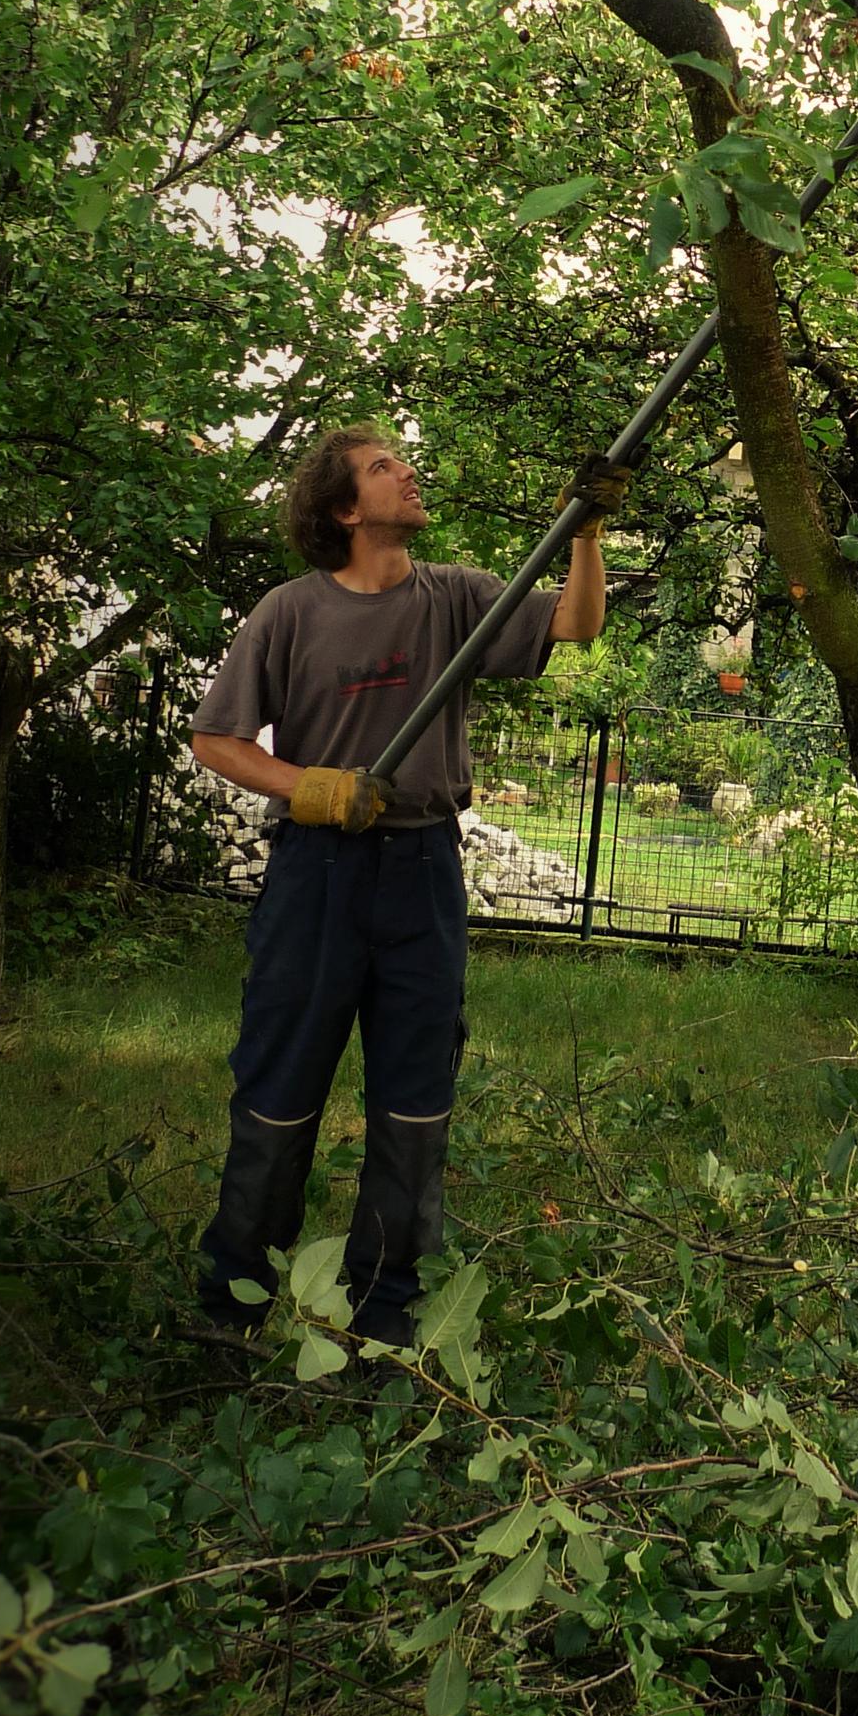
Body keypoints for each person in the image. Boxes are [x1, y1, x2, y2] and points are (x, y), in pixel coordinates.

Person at [188, 423, 626, 1347]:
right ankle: (234, 1305)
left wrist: (585, 532)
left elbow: (578, 623)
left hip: (423, 867)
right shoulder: (290, 612)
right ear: (346, 509)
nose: (409, 472)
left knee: (414, 1097)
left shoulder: (457, 595)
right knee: (279, 1088)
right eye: (385, 467)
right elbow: (216, 740)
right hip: (318, 874)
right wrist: (305, 785)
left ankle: (388, 1316)